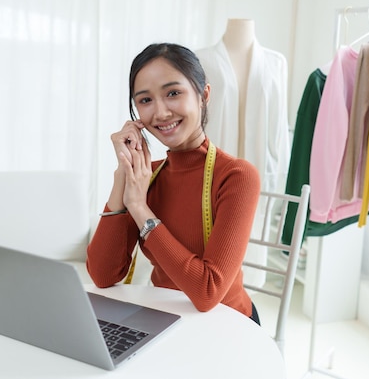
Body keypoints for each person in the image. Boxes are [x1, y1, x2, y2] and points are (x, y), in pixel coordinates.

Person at [86, 43, 262, 325]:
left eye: (173, 93)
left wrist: (139, 208)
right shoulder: (147, 176)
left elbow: (207, 292)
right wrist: (123, 174)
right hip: (166, 321)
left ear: (203, 95)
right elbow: (103, 275)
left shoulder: (237, 176)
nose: (161, 112)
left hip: (229, 325)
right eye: (145, 100)